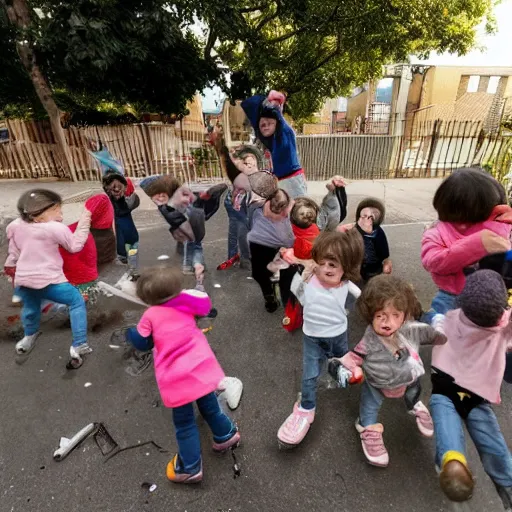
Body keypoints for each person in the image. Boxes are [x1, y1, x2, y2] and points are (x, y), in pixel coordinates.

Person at [122, 266, 240, 484]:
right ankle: (226, 435)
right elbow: (206, 308)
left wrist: (130, 333)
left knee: (184, 423)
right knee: (210, 406)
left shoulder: (150, 315)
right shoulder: (186, 303)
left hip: (177, 378)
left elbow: (141, 342)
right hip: (201, 367)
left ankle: (190, 467)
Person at [332, 275, 446, 467]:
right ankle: (367, 427)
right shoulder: (369, 341)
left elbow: (428, 333)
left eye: (395, 315)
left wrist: (441, 334)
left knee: (413, 391)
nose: (388, 322)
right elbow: (353, 357)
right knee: (370, 406)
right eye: (380, 315)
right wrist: (346, 368)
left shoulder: (409, 330)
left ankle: (415, 405)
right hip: (378, 383)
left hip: (408, 378)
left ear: (405, 315)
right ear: (370, 315)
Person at [429, 270, 512, 509]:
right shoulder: (503, 328)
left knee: (448, 432)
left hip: (444, 389)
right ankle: (506, 481)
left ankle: (451, 461)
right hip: (477, 396)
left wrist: (432, 318)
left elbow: (430, 317)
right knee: (492, 441)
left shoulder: (453, 316)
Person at [277, 230, 364, 448]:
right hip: (312, 337)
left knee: (338, 357)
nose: (325, 268)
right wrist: (301, 273)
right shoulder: (308, 280)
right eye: (321, 262)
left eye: (333, 264)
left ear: (347, 266)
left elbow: (368, 302)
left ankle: (340, 369)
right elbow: (299, 297)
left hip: (338, 334)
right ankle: (306, 408)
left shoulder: (348, 287)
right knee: (310, 375)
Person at [4, 189, 92, 364]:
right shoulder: (54, 228)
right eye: (57, 210)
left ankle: (28, 337)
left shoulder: (15, 226)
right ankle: (79, 343)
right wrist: (84, 222)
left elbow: (13, 253)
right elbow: (74, 246)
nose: (61, 214)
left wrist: (10, 268)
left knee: (31, 308)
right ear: (39, 215)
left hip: (25, 282)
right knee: (76, 301)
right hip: (50, 281)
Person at [421, 167, 512, 323]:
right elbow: (433, 262)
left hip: (491, 297)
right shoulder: (437, 232)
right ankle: (432, 320)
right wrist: (477, 244)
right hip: (451, 297)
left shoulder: (497, 223)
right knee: (446, 333)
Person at [242, 91, 307, 198]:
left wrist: (276, 104)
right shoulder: (271, 141)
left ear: (277, 123)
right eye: (263, 125)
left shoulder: (286, 133)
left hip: (293, 179)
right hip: (280, 180)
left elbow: (278, 117)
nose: (266, 126)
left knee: (299, 210)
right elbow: (256, 122)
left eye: (270, 123)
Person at [247, 184, 295, 312]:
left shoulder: (289, 214)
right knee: (259, 273)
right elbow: (250, 223)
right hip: (259, 245)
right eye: (271, 211)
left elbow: (290, 240)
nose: (272, 216)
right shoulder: (256, 208)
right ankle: (269, 295)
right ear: (268, 202)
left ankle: (283, 293)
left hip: (282, 247)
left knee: (286, 271)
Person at [338, 198, 392, 282]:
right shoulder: (353, 230)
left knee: (372, 283)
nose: (367, 219)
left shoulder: (378, 233)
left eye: (372, 217)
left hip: (373, 268)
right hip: (355, 267)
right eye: (364, 216)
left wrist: (386, 261)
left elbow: (384, 251)